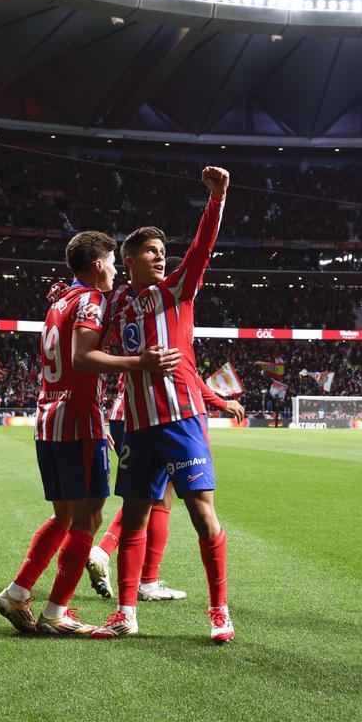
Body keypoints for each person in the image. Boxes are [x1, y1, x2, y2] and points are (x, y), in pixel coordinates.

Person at [0, 232, 180, 636]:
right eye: (112, 262)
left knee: (63, 517)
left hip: (49, 418)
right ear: (98, 265)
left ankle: (17, 593)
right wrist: (140, 362)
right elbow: (81, 357)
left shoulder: (61, 300)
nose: (115, 270)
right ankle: (56, 612)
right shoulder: (91, 300)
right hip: (78, 420)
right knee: (89, 518)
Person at [89, 166, 235, 644]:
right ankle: (126, 612)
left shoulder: (176, 290)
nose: (160, 256)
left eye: (162, 251)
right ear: (129, 259)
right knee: (134, 516)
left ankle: (219, 611)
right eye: (151, 250)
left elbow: (201, 249)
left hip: (181, 419)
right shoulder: (116, 304)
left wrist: (216, 199)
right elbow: (89, 335)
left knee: (201, 512)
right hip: (137, 424)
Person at [86, 374, 245, 601]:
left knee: (144, 495)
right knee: (157, 496)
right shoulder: (164, 349)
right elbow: (189, 376)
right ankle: (142, 578)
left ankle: (108, 553)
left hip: (124, 413)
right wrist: (221, 403)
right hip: (153, 415)